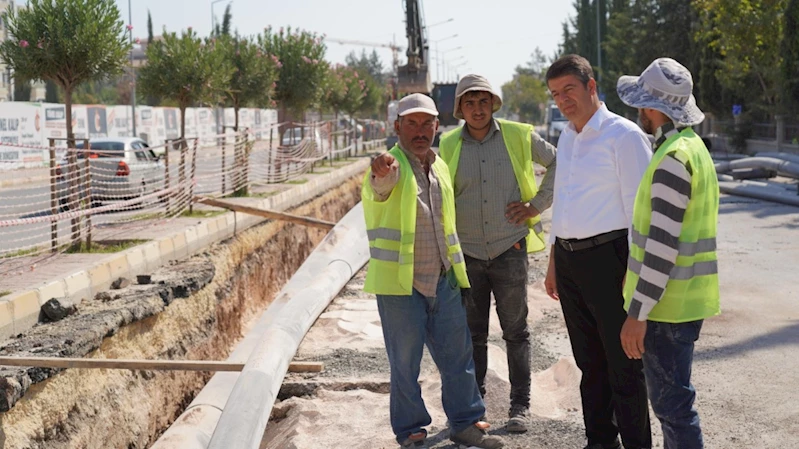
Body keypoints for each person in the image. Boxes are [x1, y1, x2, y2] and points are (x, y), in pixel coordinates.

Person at [362, 93, 505, 449]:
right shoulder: (390, 165)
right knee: (405, 366)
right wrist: (378, 171)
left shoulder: (439, 166)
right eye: (411, 123)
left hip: (442, 281)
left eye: (427, 123)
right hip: (401, 285)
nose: (420, 130)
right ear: (396, 127)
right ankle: (411, 431)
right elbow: (380, 186)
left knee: (459, 358)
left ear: (437, 127)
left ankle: (466, 423)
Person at [543, 54, 653, 449]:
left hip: (611, 260)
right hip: (571, 262)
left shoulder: (623, 136)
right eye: (556, 94)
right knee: (590, 364)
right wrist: (554, 261)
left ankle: (638, 444)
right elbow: (562, 201)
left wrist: (634, 272)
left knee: (623, 365)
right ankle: (600, 442)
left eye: (569, 90)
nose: (562, 100)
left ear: (592, 87)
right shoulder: (567, 137)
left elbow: (642, 212)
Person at [438, 74, 557, 433]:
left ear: (493, 104)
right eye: (470, 103)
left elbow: (561, 162)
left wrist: (536, 206)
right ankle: (474, 409)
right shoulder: (447, 145)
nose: (477, 109)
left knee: (515, 331)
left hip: (510, 248)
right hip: (468, 254)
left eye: (483, 102)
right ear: (460, 109)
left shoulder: (519, 136)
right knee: (472, 335)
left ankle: (520, 406)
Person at [616, 58, 720, 449]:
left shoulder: (672, 161)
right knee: (677, 404)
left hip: (665, 309)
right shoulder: (692, 149)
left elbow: (661, 248)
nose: (639, 113)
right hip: (682, 304)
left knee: (673, 408)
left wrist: (637, 314)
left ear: (653, 108)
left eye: (642, 104)